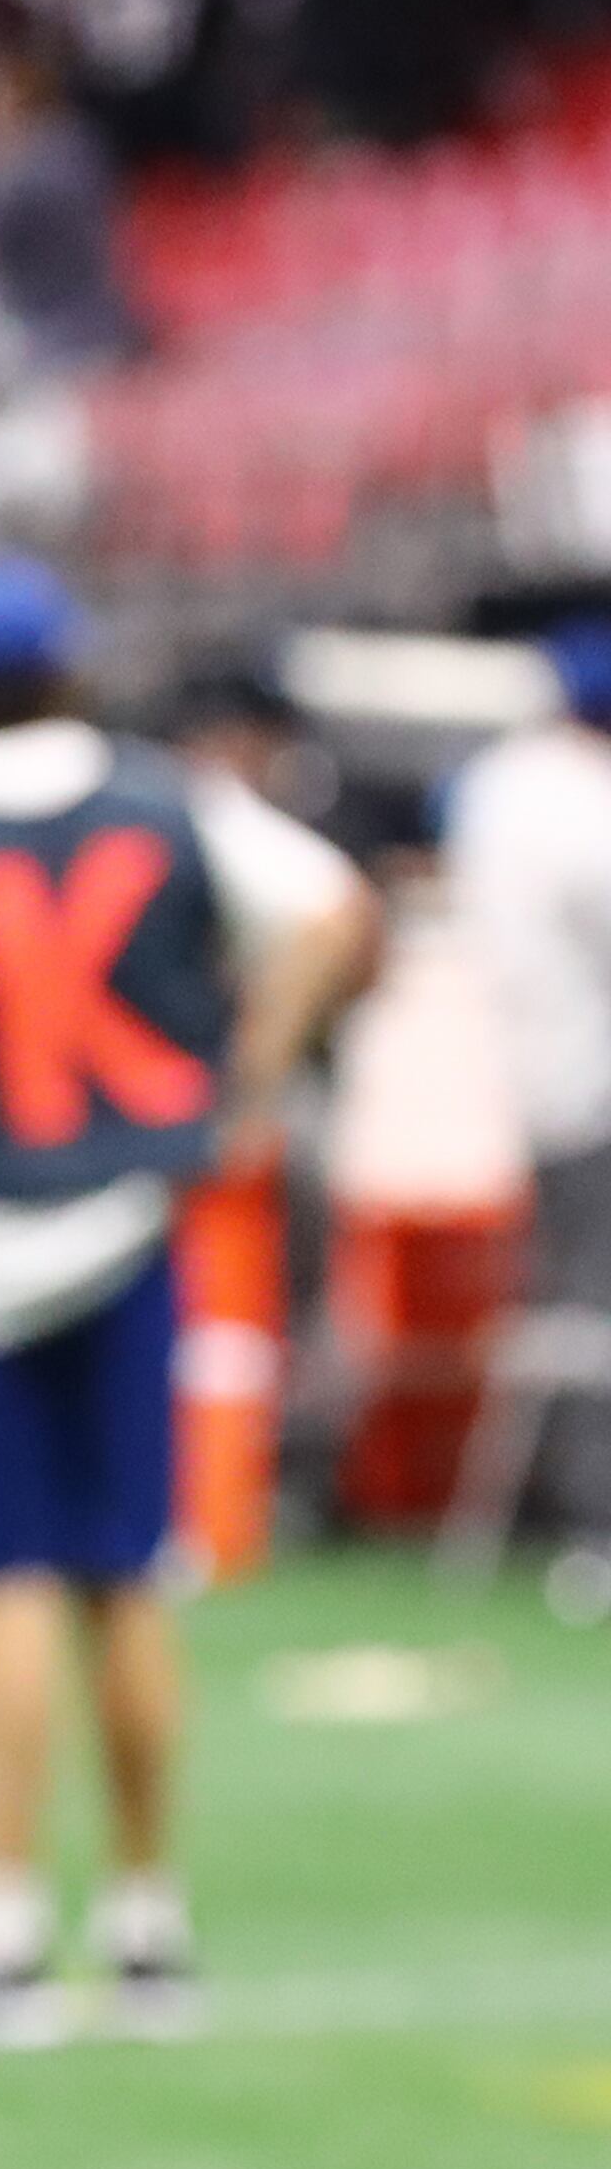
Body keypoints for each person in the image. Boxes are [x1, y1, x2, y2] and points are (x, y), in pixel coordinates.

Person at [0, 558, 374, 2049]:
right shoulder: (171, 802)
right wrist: (248, 1078)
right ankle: (148, 1917)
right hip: (123, 1228)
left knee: (4, 1585)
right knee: (128, 1572)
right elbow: (334, 911)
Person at [442, 610, 611, 1609]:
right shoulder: (568, 794)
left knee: (576, 1309)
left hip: (547, 1082)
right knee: (594, 1313)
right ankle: (594, 1522)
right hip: (593, 1086)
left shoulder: (501, 784)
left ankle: (578, 1512)